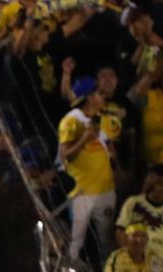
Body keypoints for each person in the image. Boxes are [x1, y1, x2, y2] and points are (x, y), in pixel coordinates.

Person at [58, 76, 116, 260]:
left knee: (107, 242)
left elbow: (109, 149)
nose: (103, 97)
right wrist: (84, 139)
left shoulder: (102, 119)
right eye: (100, 94)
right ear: (89, 97)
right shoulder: (71, 121)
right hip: (81, 192)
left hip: (105, 190)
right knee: (75, 242)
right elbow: (65, 155)